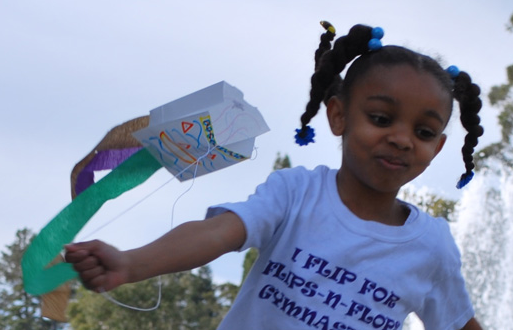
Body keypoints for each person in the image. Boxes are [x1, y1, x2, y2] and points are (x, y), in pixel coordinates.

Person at [65, 22, 484, 330]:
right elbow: (217, 234)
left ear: (438, 148)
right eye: (381, 118)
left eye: (424, 132)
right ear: (338, 115)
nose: (402, 139)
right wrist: (131, 262)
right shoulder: (297, 192)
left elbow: (460, 323)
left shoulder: (432, 246)